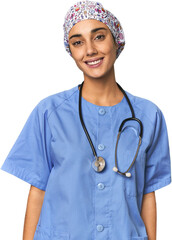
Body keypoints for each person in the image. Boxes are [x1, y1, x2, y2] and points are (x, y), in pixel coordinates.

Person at [1, 1, 171, 239]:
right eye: (78, 42)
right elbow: (38, 191)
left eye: (99, 37)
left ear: (116, 39)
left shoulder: (149, 116)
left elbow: (148, 194)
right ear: (70, 51)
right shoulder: (49, 112)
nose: (89, 50)